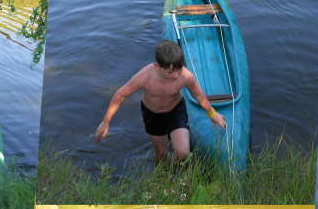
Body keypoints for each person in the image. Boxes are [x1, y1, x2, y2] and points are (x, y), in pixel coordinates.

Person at [94, 40, 227, 164]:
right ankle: (163, 173)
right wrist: (106, 122)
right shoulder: (144, 77)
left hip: (175, 111)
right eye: (170, 72)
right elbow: (120, 95)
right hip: (153, 115)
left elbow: (198, 94)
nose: (176, 76)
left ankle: (180, 170)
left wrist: (212, 114)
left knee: (183, 153)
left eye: (179, 69)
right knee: (161, 154)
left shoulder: (186, 76)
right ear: (157, 66)